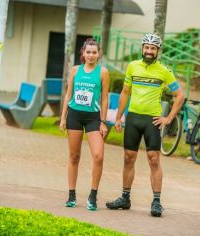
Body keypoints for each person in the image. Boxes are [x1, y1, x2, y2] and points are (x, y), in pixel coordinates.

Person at [105, 33, 185, 217]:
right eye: (146, 47)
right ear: (142, 48)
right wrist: (118, 118)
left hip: (152, 120)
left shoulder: (164, 71)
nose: (149, 51)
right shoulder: (133, 66)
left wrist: (168, 118)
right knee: (128, 157)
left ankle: (156, 202)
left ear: (157, 51)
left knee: (154, 159)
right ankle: (125, 198)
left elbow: (179, 96)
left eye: (153, 48)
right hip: (133, 118)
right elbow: (125, 92)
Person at [60, 38, 109, 211]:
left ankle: (93, 195)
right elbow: (68, 95)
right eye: (88, 52)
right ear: (83, 53)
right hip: (74, 115)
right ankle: (72, 195)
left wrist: (103, 121)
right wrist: (63, 118)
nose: (91, 55)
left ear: (98, 54)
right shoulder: (75, 70)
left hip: (93, 118)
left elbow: (104, 98)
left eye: (94, 52)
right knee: (74, 156)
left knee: (98, 155)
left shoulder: (103, 72)